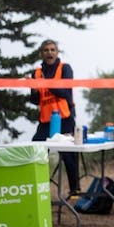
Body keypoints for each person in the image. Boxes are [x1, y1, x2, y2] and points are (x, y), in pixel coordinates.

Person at [28, 39, 81, 194]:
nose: (49, 53)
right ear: (41, 53)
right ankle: (36, 189)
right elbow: (35, 100)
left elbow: (66, 93)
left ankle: (75, 191)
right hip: (46, 121)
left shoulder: (65, 69)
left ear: (57, 52)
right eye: (46, 50)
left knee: (69, 155)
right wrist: (34, 91)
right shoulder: (36, 73)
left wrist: (46, 84)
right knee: (36, 152)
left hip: (65, 119)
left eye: (52, 50)